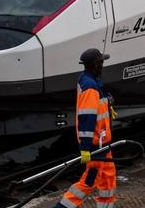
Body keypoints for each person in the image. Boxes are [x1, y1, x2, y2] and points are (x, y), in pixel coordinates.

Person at [53, 48, 116, 208]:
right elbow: (87, 117)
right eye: (101, 62)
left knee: (108, 178)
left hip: (102, 143)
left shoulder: (90, 80)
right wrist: (86, 148)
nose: (103, 65)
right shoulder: (90, 86)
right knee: (90, 180)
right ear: (96, 64)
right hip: (96, 145)